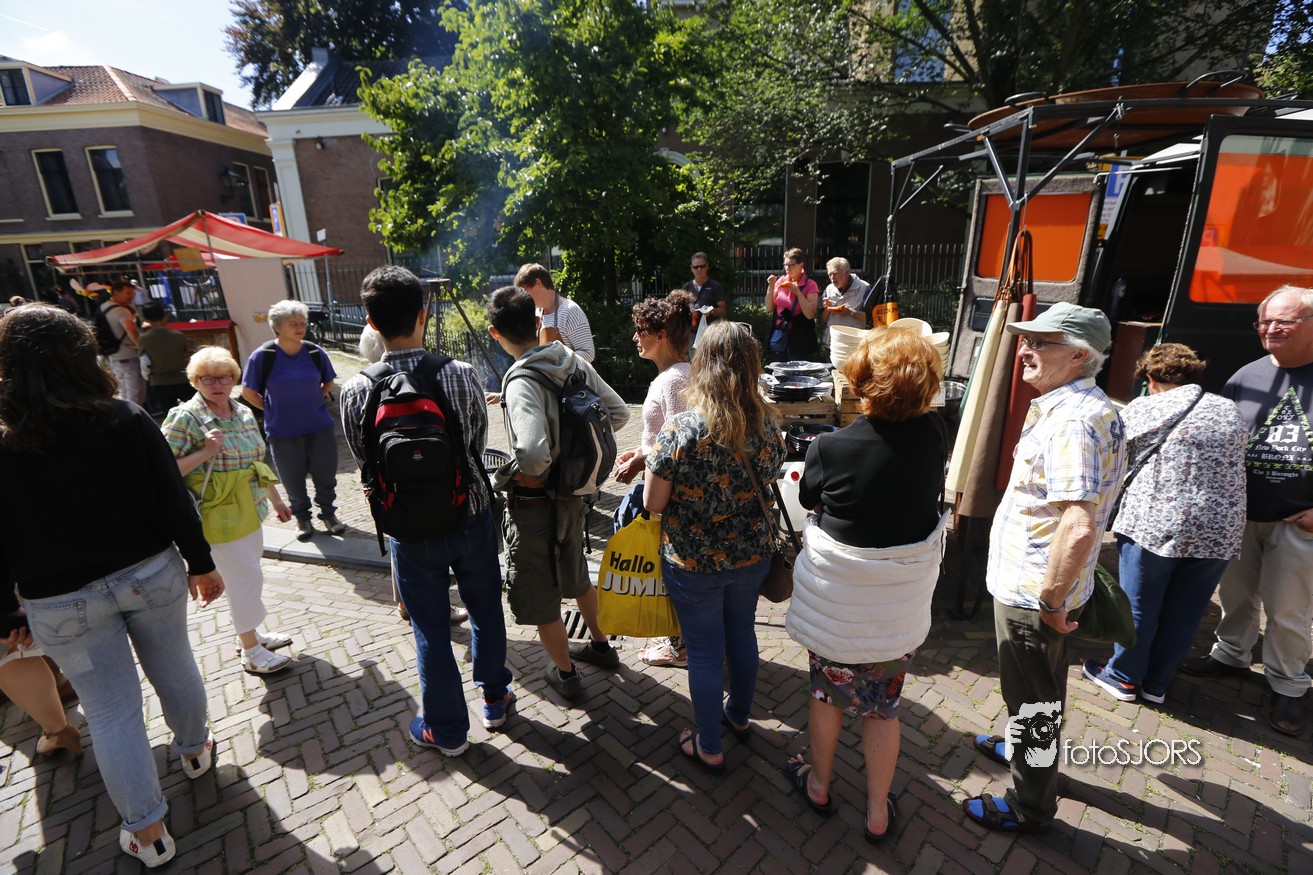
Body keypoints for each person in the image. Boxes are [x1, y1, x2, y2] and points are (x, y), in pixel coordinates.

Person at [0, 304, 223, 868]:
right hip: (149, 575)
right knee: (175, 666)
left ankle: (149, 832)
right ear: (82, 356)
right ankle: (195, 751)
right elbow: (172, 498)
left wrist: (6, 611)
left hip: (60, 600)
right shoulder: (124, 417)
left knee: (111, 711)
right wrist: (201, 562)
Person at [963, 302, 1125, 834]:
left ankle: (1031, 804)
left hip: (1035, 591)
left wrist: (1051, 602)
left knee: (1032, 697)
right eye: (1026, 340)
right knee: (1044, 688)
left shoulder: (1073, 421)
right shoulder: (1086, 406)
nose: (1024, 351)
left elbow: (1078, 525)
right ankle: (1029, 754)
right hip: (1044, 585)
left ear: (1079, 355)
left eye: (1040, 342)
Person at [785, 328, 950, 843]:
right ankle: (878, 812)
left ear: (861, 383)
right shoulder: (936, 433)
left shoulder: (831, 447)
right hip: (897, 604)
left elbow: (809, 500)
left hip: (840, 601)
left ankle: (819, 785)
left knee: (826, 693)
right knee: (884, 705)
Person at [340, 266, 512, 756]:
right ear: (423, 314)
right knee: (485, 609)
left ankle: (447, 730)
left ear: (370, 322)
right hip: (469, 513)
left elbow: (364, 460)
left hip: (408, 528)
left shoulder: (357, 390)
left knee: (431, 630)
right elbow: (475, 446)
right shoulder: (459, 374)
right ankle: (495, 699)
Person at [644, 321, 787, 772]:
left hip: (693, 562)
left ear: (703, 365)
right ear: (751, 366)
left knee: (704, 652)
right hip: (752, 555)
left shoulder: (681, 428)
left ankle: (709, 746)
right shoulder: (768, 424)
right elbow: (773, 474)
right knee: (742, 634)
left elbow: (653, 502)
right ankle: (739, 716)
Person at [1181, 286, 1313, 736]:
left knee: (1288, 609)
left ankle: (1288, 684)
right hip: (1241, 513)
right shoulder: (1246, 375)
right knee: (1235, 595)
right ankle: (1231, 655)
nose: (1271, 329)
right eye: (1265, 321)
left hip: (1298, 520)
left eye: (1284, 321)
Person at [1081, 344, 1246, 705]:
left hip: (1156, 524)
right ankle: (1156, 683)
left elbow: (1112, 454)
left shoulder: (1144, 408)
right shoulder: (1228, 410)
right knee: (1187, 609)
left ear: (1151, 378)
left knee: (1139, 604)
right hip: (1220, 528)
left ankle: (1123, 677)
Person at [488, 287, 629, 701]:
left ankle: (565, 674)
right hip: (574, 496)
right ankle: (601, 647)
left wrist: (507, 476)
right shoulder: (571, 361)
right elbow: (619, 413)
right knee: (577, 573)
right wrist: (575, 455)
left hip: (535, 506)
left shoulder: (520, 381)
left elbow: (533, 456)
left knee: (541, 592)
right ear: (537, 322)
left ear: (495, 333)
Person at [163, 347, 296, 676]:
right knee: (244, 579)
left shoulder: (243, 412)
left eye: (224, 377)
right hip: (218, 511)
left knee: (247, 575)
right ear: (195, 381)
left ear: (235, 379)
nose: (217, 385)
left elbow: (256, 463)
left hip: (250, 507)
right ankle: (250, 649)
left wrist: (276, 500)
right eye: (208, 378)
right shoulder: (185, 417)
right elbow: (162, 470)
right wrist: (205, 452)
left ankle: (252, 634)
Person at [612, 291, 694, 668]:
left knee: (669, 566)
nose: (635, 338)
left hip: (668, 491)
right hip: (671, 486)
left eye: (640, 330)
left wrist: (640, 462)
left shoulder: (671, 381)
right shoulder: (682, 374)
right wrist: (640, 451)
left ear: (660, 335)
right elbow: (669, 435)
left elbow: (679, 440)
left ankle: (678, 646)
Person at [241, 300, 344, 542]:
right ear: (277, 327)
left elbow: (328, 382)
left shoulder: (314, 352)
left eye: (302, 323)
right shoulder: (263, 356)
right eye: (293, 324)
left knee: (326, 475)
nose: (300, 328)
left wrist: (314, 400)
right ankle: (302, 518)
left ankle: (328, 514)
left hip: (319, 426)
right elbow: (248, 392)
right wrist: (271, 409)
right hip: (282, 431)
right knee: (292, 478)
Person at [515, 263, 595, 362]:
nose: (524, 297)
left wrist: (557, 365)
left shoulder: (570, 311)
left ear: (538, 283)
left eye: (525, 291)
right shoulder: (536, 314)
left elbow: (588, 353)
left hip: (568, 373)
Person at [137, 300, 192, 414]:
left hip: (159, 382)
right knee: (194, 411)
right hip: (182, 379)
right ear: (165, 316)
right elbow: (187, 355)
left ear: (146, 319)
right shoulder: (178, 335)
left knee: (170, 415)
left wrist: (148, 377)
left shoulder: (143, 339)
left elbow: (144, 362)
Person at [765, 248, 820, 362]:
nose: (787, 268)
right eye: (785, 265)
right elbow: (769, 308)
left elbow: (810, 314)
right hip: (780, 334)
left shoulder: (810, 285)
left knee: (797, 369)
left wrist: (798, 292)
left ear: (801, 265)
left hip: (800, 338)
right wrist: (771, 287)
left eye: (791, 265)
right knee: (778, 368)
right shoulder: (780, 281)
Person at [102, 279, 147, 407]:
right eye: (128, 293)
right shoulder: (122, 311)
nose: (131, 296)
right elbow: (131, 331)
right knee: (135, 391)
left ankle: (126, 413)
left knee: (123, 390)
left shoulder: (104, 307)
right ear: (116, 292)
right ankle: (134, 414)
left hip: (114, 354)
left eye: (132, 293)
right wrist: (139, 345)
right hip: (129, 355)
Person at [819, 257, 872, 343]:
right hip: (832, 342)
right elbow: (822, 321)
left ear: (847, 272)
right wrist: (827, 309)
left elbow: (871, 318)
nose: (832, 277)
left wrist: (850, 312)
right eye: (829, 274)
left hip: (854, 342)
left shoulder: (864, 288)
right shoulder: (829, 289)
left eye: (835, 273)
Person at [682, 252, 726, 345]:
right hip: (692, 333)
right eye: (696, 267)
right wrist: (690, 311)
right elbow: (681, 310)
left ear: (707, 267)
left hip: (711, 333)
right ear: (691, 268)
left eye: (702, 266)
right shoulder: (686, 287)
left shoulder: (715, 286)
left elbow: (723, 310)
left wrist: (711, 311)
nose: (699, 269)